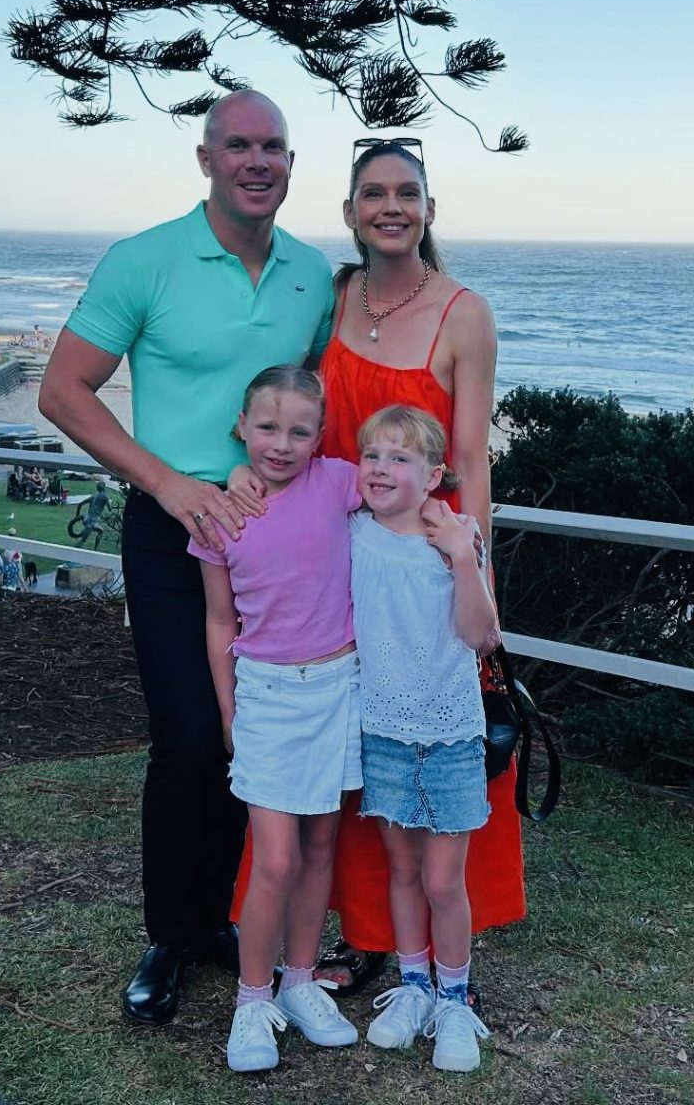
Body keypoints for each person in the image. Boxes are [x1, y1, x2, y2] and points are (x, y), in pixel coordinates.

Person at [38, 90, 335, 1026]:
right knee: (190, 737)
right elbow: (62, 390)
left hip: (278, 539)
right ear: (206, 159)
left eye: (273, 146)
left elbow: (303, 402)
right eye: (237, 145)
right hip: (172, 528)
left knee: (260, 736)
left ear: (291, 164)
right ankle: (171, 933)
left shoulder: (312, 274)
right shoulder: (144, 260)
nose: (257, 161)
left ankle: (222, 921)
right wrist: (169, 484)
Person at [230, 138, 525, 1004]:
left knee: (424, 751)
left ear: (428, 210)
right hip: (330, 562)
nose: (389, 207)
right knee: (347, 763)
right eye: (372, 193)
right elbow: (282, 407)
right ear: (350, 211)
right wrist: (245, 470)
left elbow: (468, 460)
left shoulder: (464, 313)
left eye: (405, 193)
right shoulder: (332, 295)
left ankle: (434, 959)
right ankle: (351, 940)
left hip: (417, 570)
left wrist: (474, 569)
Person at [190, 366, 362, 1072]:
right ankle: (252, 1000)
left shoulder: (340, 483)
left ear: (321, 437)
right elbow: (218, 619)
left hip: (340, 688)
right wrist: (229, 710)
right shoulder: (218, 513)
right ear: (241, 427)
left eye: (299, 431)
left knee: (320, 846)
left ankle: (299, 981)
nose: (281, 445)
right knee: (277, 858)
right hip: (265, 695)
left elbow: (406, 485)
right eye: (266, 428)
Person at [351, 405, 494, 1073]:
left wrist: (462, 557)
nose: (380, 468)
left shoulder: (457, 535)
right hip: (381, 730)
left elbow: (479, 635)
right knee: (402, 870)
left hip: (449, 736)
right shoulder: (353, 531)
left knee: (442, 880)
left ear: (434, 475)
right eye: (371, 455)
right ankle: (411, 987)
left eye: (399, 458)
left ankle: (454, 1000)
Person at [74, 480, 109, 548]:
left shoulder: (93, 496)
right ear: (104, 488)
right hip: (92, 522)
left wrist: (77, 515)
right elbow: (109, 508)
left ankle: (94, 549)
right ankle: (95, 550)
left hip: (86, 519)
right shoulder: (105, 497)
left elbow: (80, 504)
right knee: (83, 540)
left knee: (98, 531)